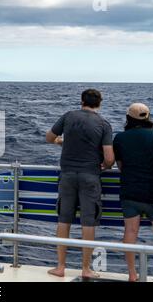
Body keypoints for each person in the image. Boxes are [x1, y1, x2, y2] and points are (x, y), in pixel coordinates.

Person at [46, 89, 115, 278]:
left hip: (67, 175)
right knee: (88, 222)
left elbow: (49, 137)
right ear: (99, 103)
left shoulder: (68, 116)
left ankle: (60, 267)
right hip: (90, 176)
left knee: (64, 219)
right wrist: (104, 166)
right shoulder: (103, 124)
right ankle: (86, 269)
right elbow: (109, 159)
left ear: (81, 101)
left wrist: (61, 142)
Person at [113, 103, 153, 282]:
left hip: (130, 192)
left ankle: (133, 275)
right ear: (147, 117)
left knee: (130, 233)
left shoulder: (120, 138)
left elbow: (120, 166)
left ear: (128, 118)